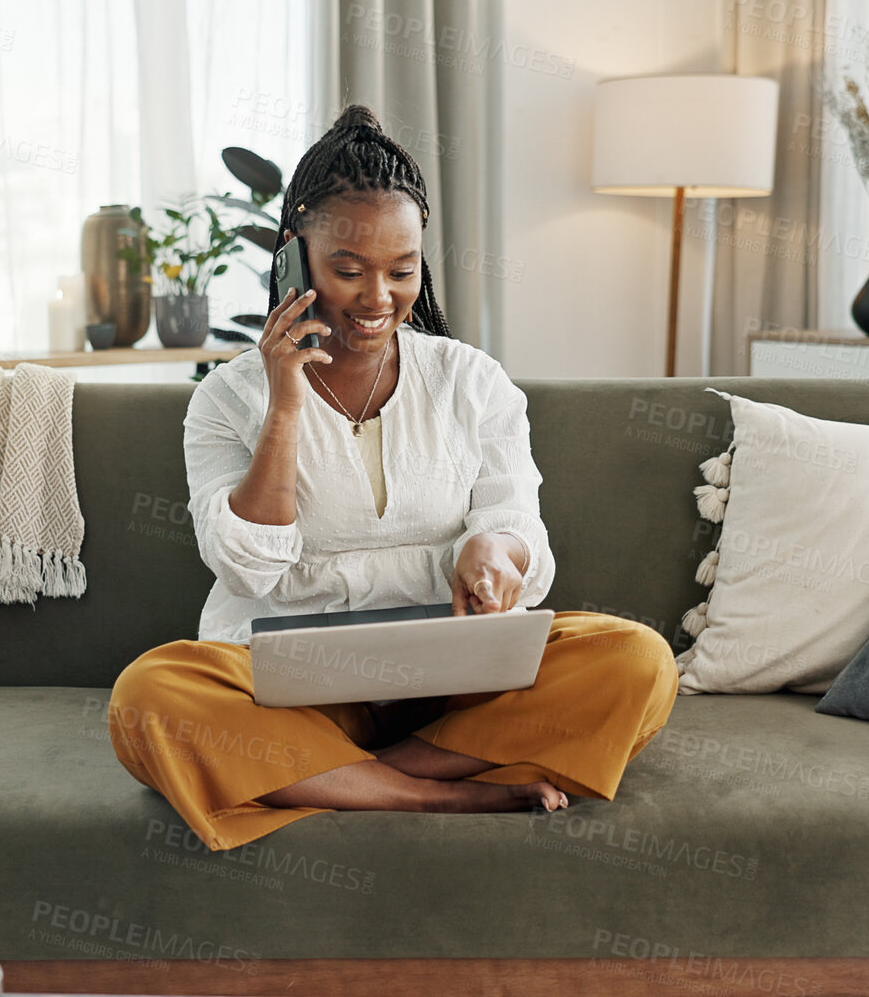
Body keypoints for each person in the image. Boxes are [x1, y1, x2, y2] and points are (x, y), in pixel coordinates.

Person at [108, 104, 678, 852]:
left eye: (400, 270)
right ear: (294, 257)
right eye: (347, 270)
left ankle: (344, 781)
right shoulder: (226, 398)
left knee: (637, 660)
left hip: (451, 686)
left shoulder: (471, 380)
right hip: (292, 692)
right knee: (148, 698)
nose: (378, 297)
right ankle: (434, 795)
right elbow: (245, 565)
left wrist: (495, 554)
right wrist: (284, 402)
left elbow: (517, 529)